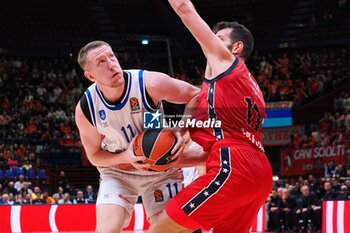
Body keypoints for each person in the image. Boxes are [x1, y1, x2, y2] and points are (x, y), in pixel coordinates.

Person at [148, 1, 272, 233]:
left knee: (160, 229)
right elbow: (216, 139)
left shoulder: (228, 67)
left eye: (218, 38)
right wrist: (173, 159)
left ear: (236, 48)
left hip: (234, 166)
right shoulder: (246, 88)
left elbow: (184, 7)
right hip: (260, 171)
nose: (211, 40)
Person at [75, 41, 199, 233]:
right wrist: (126, 157)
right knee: (106, 230)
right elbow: (94, 155)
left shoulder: (148, 83)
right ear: (90, 75)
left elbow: (196, 95)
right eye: (101, 62)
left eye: (111, 56)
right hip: (118, 173)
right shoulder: (86, 108)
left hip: (161, 171)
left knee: (172, 228)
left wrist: (182, 128)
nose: (111, 64)